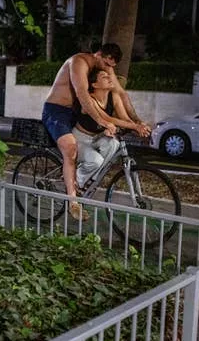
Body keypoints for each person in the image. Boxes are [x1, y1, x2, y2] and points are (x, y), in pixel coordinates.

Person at [42, 43, 149, 220]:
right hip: (57, 110)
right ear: (99, 55)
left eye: (112, 67)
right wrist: (101, 120)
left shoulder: (105, 68)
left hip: (76, 112)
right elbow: (82, 94)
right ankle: (73, 202)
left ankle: (82, 181)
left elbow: (121, 93)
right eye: (106, 64)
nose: (109, 70)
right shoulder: (79, 62)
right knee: (70, 148)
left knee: (109, 145)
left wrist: (137, 121)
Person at [73, 69, 149, 192]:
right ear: (94, 85)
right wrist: (135, 127)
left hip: (97, 137)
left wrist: (139, 127)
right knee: (96, 161)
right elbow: (107, 118)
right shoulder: (89, 100)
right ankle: (75, 183)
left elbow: (125, 118)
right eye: (104, 77)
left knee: (114, 143)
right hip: (80, 139)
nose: (109, 78)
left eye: (109, 75)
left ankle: (92, 180)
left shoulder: (114, 96)